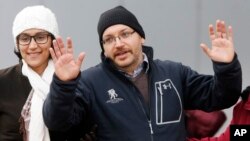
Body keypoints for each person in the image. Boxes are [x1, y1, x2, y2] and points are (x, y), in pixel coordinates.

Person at [43, 5, 242, 141]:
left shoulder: (173, 73)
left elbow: (222, 96)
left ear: (142, 37)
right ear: (103, 48)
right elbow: (58, 123)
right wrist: (63, 84)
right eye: (109, 39)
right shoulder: (90, 82)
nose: (118, 44)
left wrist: (226, 66)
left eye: (125, 34)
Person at [0, 5, 86, 141]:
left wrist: (64, 84)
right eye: (24, 38)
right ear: (17, 43)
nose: (33, 46)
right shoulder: (3, 81)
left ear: (52, 41)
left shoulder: (72, 81)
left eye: (40, 37)